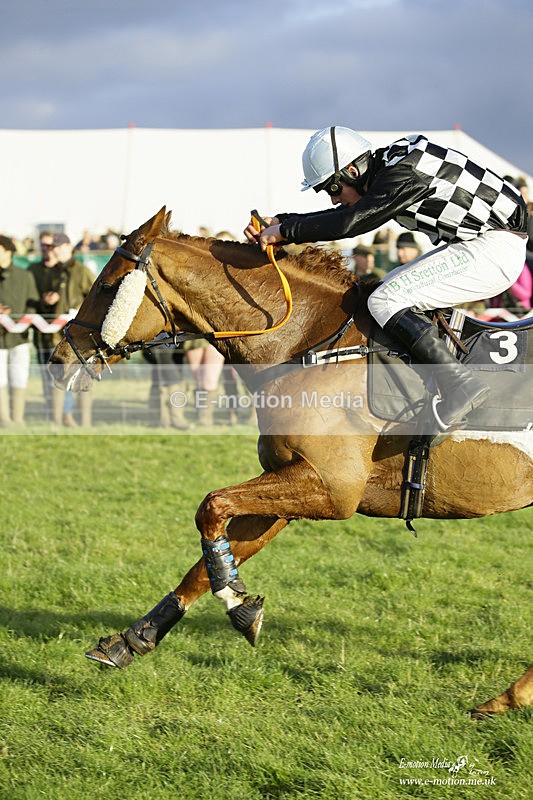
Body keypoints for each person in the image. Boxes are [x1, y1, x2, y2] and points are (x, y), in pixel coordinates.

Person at [244, 126, 528, 429]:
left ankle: (460, 385)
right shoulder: (390, 167)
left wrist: (287, 230)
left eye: (333, 188)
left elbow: (351, 222)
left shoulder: (402, 172)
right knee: (382, 293)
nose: (332, 199)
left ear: (353, 170)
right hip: (484, 242)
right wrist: (285, 223)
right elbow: (351, 214)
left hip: (494, 249)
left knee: (386, 299)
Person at [31, 232, 95, 426]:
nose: (54, 251)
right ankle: (59, 416)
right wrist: (48, 301)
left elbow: (96, 297)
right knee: (56, 378)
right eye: (52, 247)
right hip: (53, 336)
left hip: (76, 339)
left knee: (73, 377)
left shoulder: (82, 271)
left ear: (68, 247)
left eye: (57, 247)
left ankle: (73, 417)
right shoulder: (53, 272)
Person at [0, 235, 39, 426]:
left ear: (9, 252)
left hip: (20, 337)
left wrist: (20, 321)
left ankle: (18, 418)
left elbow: (32, 304)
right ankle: (4, 419)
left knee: (19, 376)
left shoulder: (25, 276)